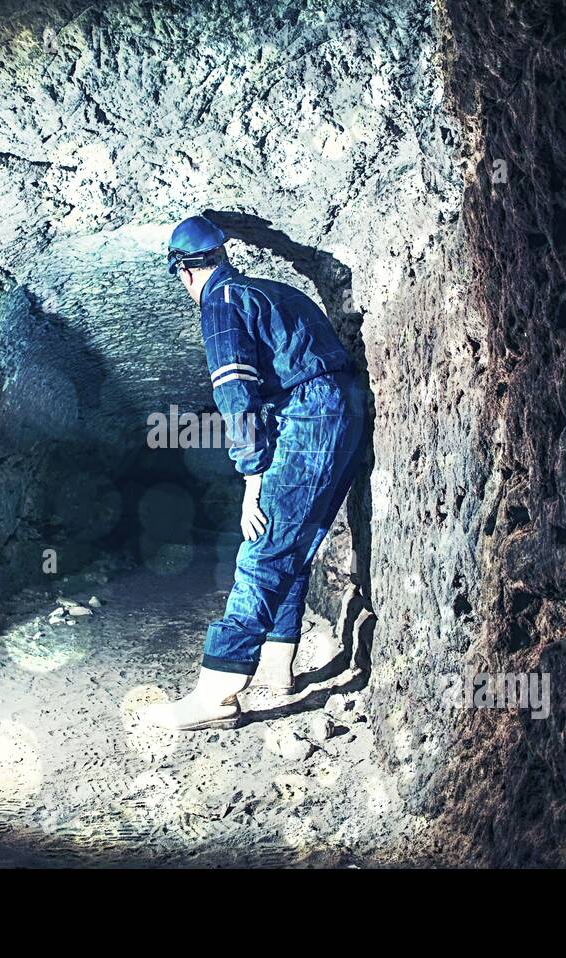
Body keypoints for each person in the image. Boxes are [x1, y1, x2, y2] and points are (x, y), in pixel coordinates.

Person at [142, 214, 366, 731]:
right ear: (220, 256)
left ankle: (217, 693)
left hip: (310, 415)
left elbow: (235, 395)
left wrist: (253, 478)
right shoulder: (274, 292)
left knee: (262, 544)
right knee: (298, 541)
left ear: (185, 272)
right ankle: (276, 663)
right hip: (345, 410)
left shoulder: (219, 303)